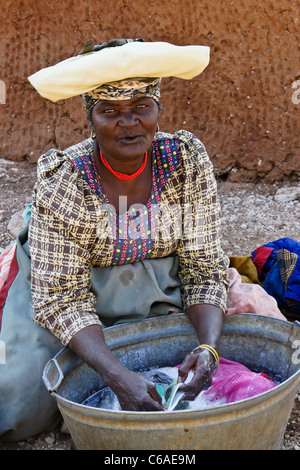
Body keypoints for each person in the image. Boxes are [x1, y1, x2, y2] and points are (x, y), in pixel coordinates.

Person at [0, 39, 229, 441]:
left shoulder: (186, 163)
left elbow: (203, 268)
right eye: (109, 111)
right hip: (68, 287)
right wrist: (115, 374)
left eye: (141, 106)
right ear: (90, 119)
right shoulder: (67, 181)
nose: (128, 122)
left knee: (205, 372)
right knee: (18, 408)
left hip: (155, 283)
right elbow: (61, 298)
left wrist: (209, 348)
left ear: (158, 111)